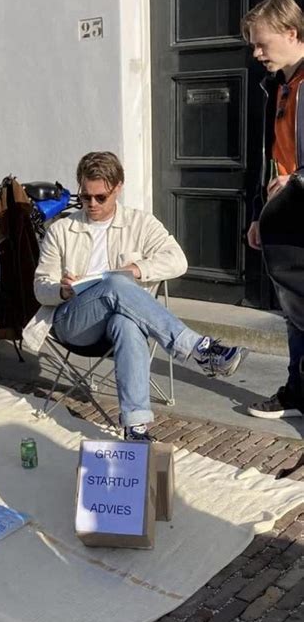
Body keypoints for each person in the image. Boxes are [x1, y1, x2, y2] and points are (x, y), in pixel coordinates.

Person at [23, 151, 248, 441]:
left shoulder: (140, 223)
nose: (92, 204)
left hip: (122, 320)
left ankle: (136, 426)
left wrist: (137, 269)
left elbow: (178, 261)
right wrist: (62, 289)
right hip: (74, 322)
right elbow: (40, 288)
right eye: (85, 197)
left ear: (118, 188)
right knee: (116, 284)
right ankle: (198, 348)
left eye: (100, 197)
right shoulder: (62, 230)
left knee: (127, 323)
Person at [241, 0, 304, 419]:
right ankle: (297, 391)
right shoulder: (281, 87)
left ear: (292, 32)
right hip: (289, 217)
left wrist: (298, 181)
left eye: (262, 43)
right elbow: (278, 159)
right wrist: (263, 216)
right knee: (294, 308)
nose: (256, 52)